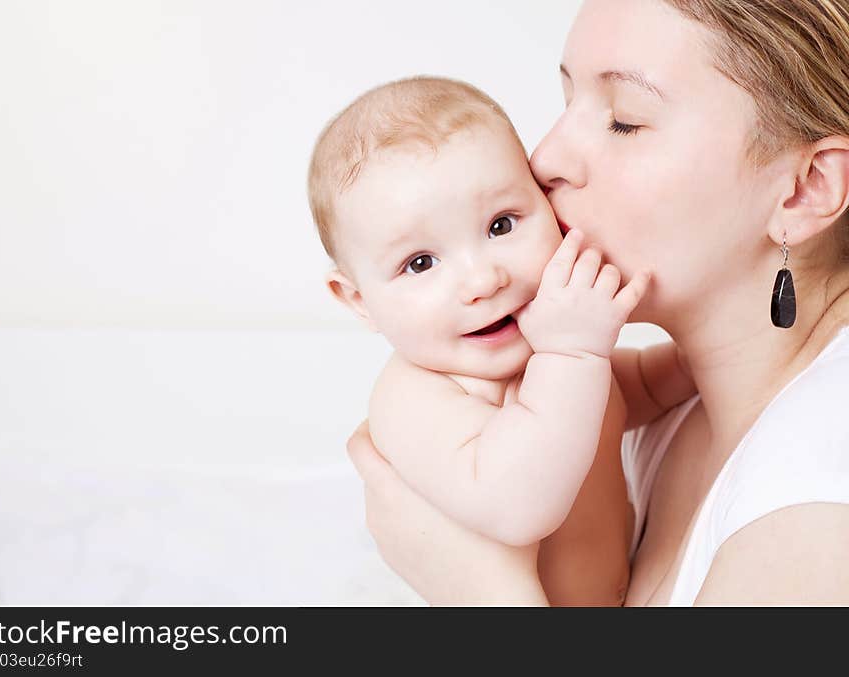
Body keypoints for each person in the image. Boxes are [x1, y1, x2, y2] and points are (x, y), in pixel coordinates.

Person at [345, 0, 849, 606]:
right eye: (566, 105)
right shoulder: (689, 409)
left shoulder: (818, 502)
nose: (544, 160)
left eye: (625, 121)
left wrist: (479, 594)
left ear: (806, 187)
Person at [308, 76, 696, 605]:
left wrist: (698, 360)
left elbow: (633, 391)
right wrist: (573, 353)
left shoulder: (557, 359)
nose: (483, 280)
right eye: (420, 263)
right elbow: (517, 505)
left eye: (501, 225)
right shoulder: (418, 397)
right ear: (357, 300)